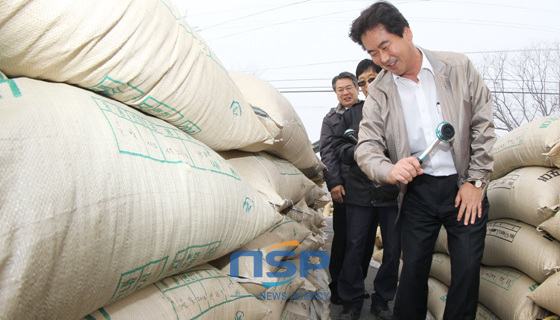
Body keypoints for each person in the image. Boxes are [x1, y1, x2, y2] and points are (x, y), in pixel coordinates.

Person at [348, 1, 497, 320]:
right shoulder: (379, 93)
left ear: (406, 33)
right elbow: (366, 148)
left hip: (463, 186)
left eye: (385, 46)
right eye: (373, 53)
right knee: (413, 271)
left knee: (467, 270)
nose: (382, 59)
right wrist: (390, 169)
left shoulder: (457, 67)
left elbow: (484, 123)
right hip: (418, 193)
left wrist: (477, 181)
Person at [332, 73, 400, 320]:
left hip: (391, 194)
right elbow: (338, 147)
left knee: (393, 250)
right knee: (355, 248)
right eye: (364, 81)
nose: (368, 84)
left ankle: (381, 300)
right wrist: (362, 150)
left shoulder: (397, 108)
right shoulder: (350, 114)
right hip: (359, 194)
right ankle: (352, 302)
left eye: (373, 78)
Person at [319, 72, 374, 306]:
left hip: (368, 187)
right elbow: (327, 153)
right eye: (340, 89)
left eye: (350, 87)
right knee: (344, 239)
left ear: (357, 88)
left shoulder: (368, 111)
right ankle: (338, 286)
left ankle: (356, 283)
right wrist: (334, 183)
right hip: (344, 187)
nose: (346, 92)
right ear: (336, 93)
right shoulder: (330, 119)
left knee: (366, 239)